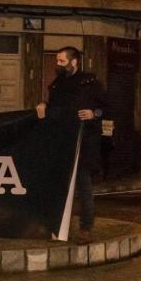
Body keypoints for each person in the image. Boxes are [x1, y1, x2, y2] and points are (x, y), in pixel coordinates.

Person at [35, 47, 107, 245]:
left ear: (73, 62)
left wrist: (95, 113)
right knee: (57, 185)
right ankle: (55, 227)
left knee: (83, 186)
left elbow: (109, 106)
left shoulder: (89, 83)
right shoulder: (57, 84)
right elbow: (55, 107)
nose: (58, 64)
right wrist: (43, 105)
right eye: (57, 61)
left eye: (61, 61)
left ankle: (85, 228)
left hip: (84, 142)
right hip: (61, 141)